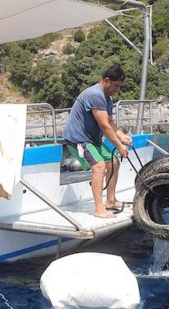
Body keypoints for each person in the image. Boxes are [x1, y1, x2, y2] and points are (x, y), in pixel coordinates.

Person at [63, 64, 133, 218]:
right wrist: (119, 145)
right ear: (107, 81)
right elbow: (104, 126)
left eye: (120, 87)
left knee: (114, 162)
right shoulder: (95, 95)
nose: (117, 89)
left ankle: (111, 200)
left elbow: (109, 121)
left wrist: (121, 135)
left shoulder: (107, 98)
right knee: (99, 166)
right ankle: (99, 209)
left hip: (92, 139)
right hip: (78, 139)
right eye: (116, 86)